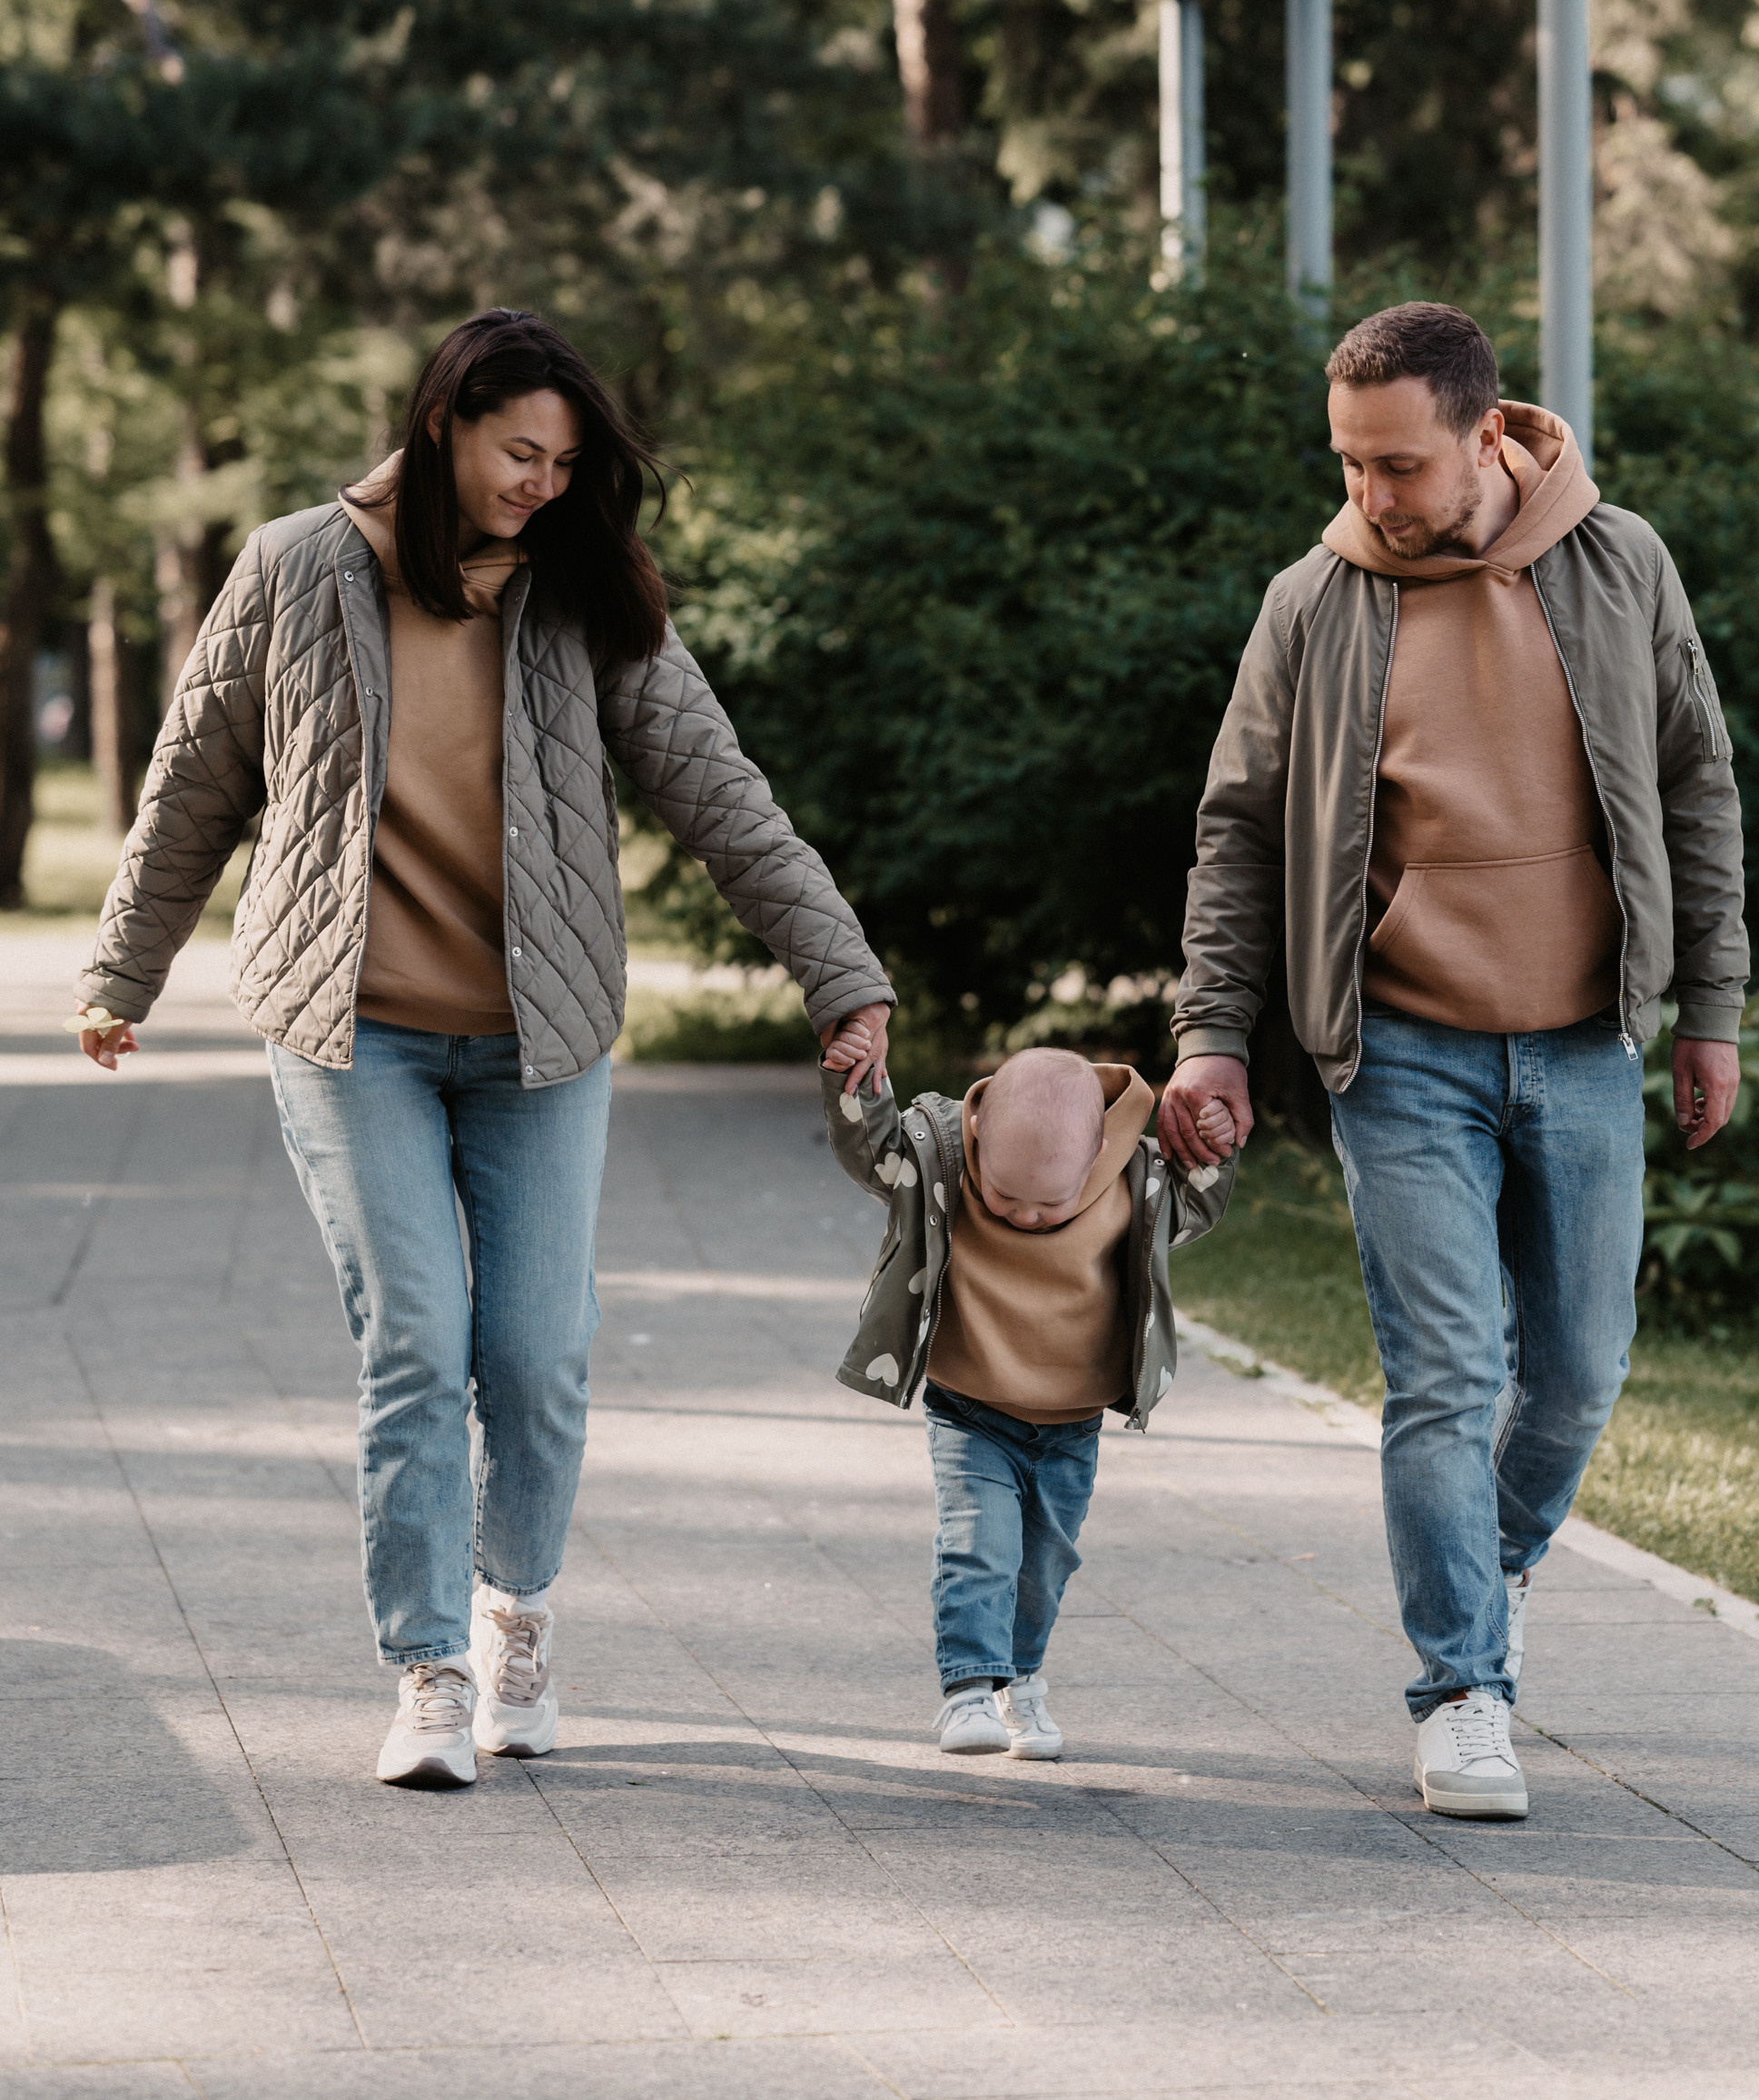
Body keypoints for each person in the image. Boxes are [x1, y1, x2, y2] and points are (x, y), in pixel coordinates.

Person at [74, 308, 894, 1792]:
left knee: (532, 1355)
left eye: (567, 460)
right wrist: (123, 970)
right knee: (413, 1345)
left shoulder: (585, 595)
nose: (542, 481)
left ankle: (514, 1616)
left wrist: (837, 971)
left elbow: (721, 795)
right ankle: (430, 1672)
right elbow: (194, 778)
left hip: (541, 1037)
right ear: (443, 421)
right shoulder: (296, 568)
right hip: (348, 1030)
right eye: (521, 450)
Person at [1155, 301, 1745, 1825]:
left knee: (1578, 1368)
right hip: (1400, 1045)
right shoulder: (1314, 602)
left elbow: (1695, 785)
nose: (1370, 496)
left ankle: (1487, 1568)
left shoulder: (1619, 566)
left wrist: (1709, 1011)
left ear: (1486, 435)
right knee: (1438, 1371)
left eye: (1397, 464)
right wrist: (1209, 1030)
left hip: (1579, 1039)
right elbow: (1234, 830)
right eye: (1347, 464)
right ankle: (1459, 1688)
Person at [820, 1026, 1234, 1758]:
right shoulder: (945, 1161)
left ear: (1095, 1159)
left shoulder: (1130, 1182)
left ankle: (1022, 1682)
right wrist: (857, 1080)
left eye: (1051, 1203)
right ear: (978, 1137)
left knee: (1044, 1563)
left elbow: (1193, 1210)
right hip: (970, 1406)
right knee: (979, 1547)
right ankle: (968, 1691)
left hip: (1071, 1423)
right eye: (1007, 1195)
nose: (1027, 1215)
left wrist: (1212, 1146)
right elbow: (874, 1153)